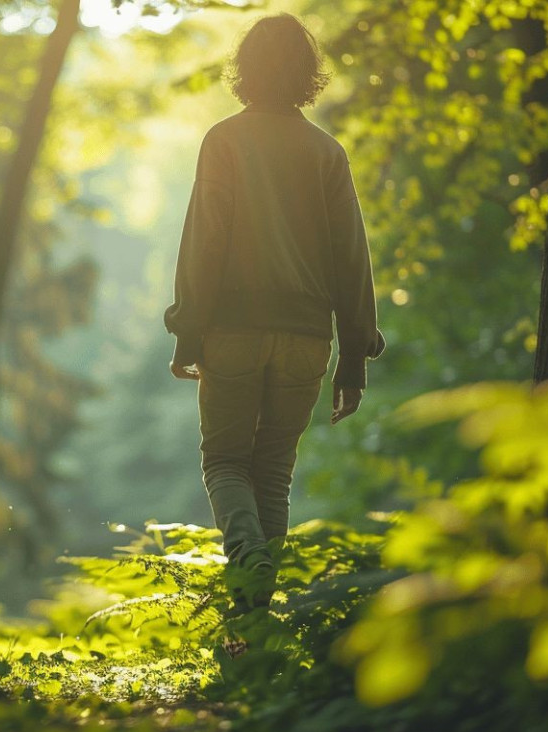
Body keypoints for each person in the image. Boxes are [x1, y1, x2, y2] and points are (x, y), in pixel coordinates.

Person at [164, 13, 385, 630]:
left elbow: (206, 240)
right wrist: (355, 357)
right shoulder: (326, 152)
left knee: (226, 464)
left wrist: (188, 328)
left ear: (245, 71)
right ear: (307, 75)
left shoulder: (225, 139)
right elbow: (352, 258)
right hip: (307, 339)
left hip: (231, 331)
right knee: (273, 472)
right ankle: (255, 623)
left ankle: (248, 565)